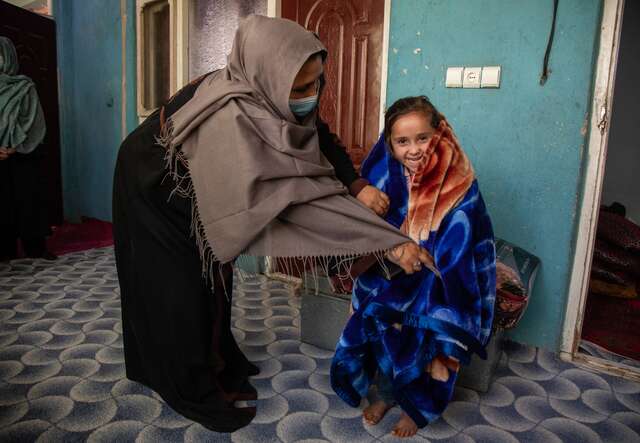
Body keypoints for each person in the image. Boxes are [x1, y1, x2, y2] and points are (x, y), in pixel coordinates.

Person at [113, 16, 432, 432]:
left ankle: (219, 364)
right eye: (301, 89)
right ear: (268, 77)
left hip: (198, 185)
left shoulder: (273, 89)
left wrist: (354, 184)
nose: (310, 96)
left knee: (216, 282)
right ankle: (192, 391)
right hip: (154, 187)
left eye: (317, 83)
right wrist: (388, 243)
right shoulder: (230, 118)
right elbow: (296, 203)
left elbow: (319, 136)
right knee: (179, 292)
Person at [330, 96, 496, 438]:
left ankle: (417, 409)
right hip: (390, 273)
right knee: (383, 333)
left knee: (429, 339)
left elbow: (468, 239)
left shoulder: (459, 181)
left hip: (437, 279)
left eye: (423, 138)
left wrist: (429, 259)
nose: (414, 149)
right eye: (402, 141)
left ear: (440, 134)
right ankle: (389, 395)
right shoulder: (379, 176)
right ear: (389, 145)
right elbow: (362, 229)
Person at [0, 36, 55, 261]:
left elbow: (34, 120)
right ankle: (4, 250)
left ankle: (36, 248)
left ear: (9, 57)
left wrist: (16, 145)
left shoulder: (25, 86)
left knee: (29, 200)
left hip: (23, 154)